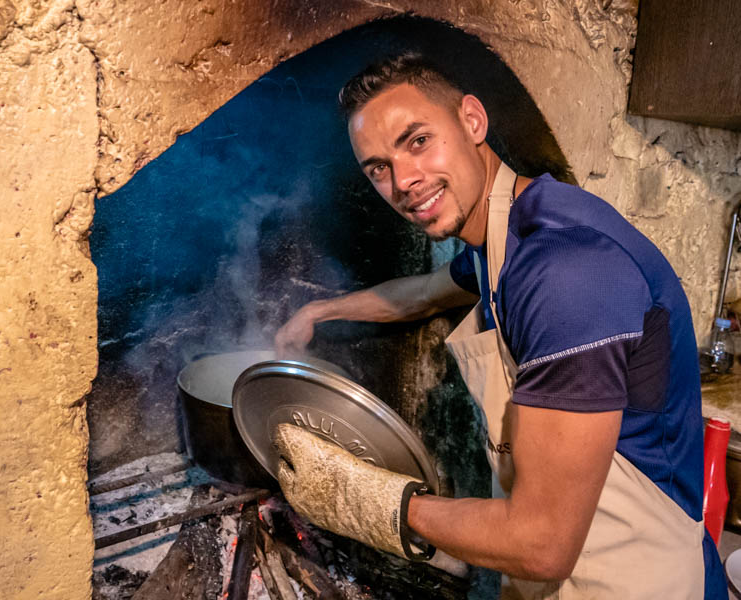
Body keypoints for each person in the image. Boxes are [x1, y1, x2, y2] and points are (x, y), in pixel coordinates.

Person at [272, 52, 727, 599]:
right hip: (563, 571)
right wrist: (320, 312)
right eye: (378, 169)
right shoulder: (503, 238)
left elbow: (542, 543)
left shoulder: (564, 272)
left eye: (417, 141)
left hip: (632, 577)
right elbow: (420, 295)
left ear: (472, 120)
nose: (404, 181)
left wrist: (368, 499)